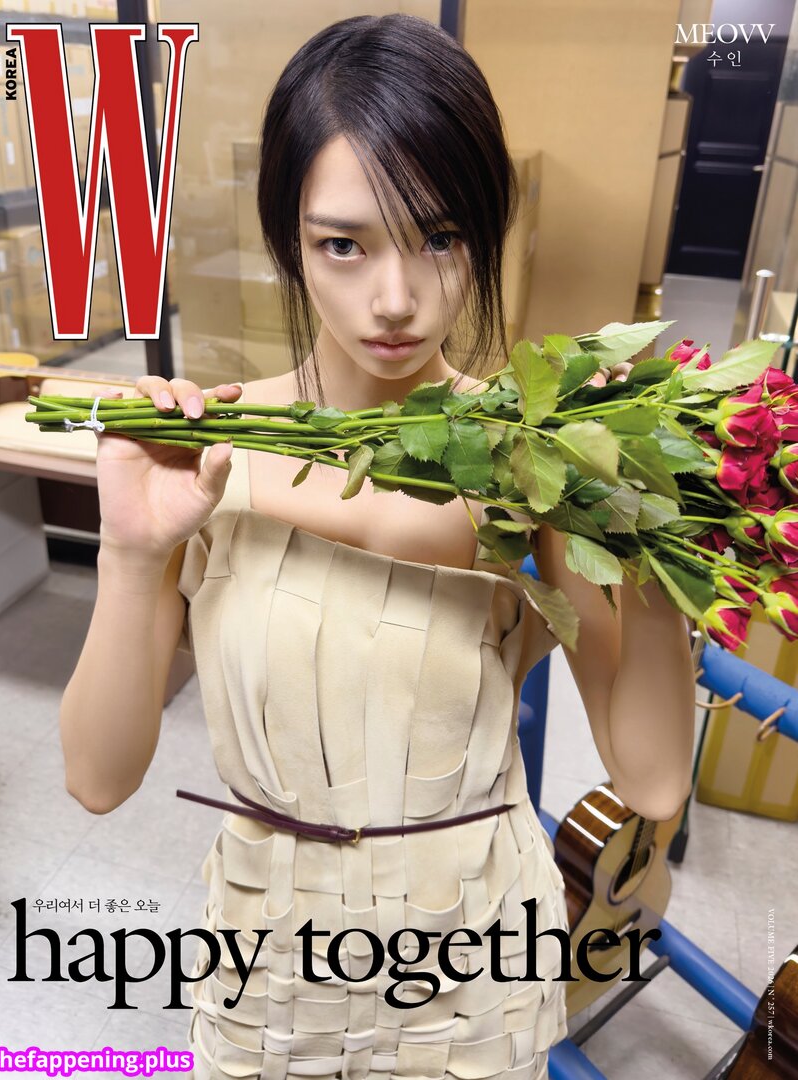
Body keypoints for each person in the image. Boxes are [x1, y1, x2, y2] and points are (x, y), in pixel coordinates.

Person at [59, 13, 696, 1079]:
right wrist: (128, 555)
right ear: (289, 241)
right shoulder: (211, 455)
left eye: (438, 238)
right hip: (269, 970)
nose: (394, 301)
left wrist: (658, 546)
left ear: (483, 234)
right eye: (343, 245)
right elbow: (94, 778)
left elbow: (653, 779)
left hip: (475, 973)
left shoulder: (532, 466)